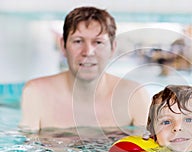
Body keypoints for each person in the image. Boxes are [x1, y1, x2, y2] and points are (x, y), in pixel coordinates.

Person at [19, 6, 150, 131]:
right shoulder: (37, 93)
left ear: (112, 48)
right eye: (78, 41)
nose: (88, 52)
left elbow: (149, 150)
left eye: (98, 42)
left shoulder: (134, 96)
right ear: (63, 46)